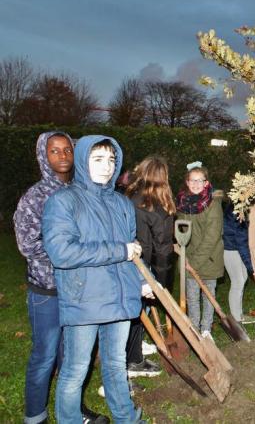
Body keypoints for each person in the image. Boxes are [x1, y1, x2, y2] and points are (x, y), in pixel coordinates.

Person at [42, 135, 150, 423]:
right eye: (98, 159)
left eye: (111, 160)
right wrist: (120, 251)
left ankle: (126, 418)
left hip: (118, 296)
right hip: (84, 297)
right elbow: (62, 252)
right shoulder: (64, 200)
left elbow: (132, 247)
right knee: (76, 370)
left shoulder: (121, 204)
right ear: (82, 161)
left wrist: (143, 280)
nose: (106, 166)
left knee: (115, 365)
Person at [14, 132, 108, 424]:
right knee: (45, 356)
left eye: (67, 149)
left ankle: (73, 411)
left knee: (73, 358)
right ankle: (35, 416)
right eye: (54, 151)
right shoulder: (36, 196)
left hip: (78, 289)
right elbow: (27, 244)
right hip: (48, 292)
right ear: (44, 155)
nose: (63, 155)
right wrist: (66, 255)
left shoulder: (82, 191)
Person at [124, 156, 177, 378]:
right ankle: (133, 360)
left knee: (133, 311)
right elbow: (163, 247)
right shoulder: (157, 206)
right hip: (146, 266)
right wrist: (162, 284)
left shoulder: (129, 197)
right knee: (138, 311)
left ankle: (132, 348)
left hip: (126, 260)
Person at [176, 162, 224, 340]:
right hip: (188, 258)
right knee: (192, 296)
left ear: (206, 183)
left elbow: (212, 238)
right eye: (192, 180)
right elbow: (181, 232)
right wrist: (184, 257)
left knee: (208, 295)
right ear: (187, 182)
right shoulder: (182, 203)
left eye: (200, 180)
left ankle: (206, 330)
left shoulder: (213, 204)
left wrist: (192, 263)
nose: (196, 184)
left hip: (209, 258)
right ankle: (194, 329)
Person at [222, 199, 255, 324]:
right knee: (238, 281)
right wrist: (254, 271)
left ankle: (238, 314)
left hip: (235, 246)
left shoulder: (241, 206)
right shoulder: (238, 211)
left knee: (242, 278)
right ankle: (236, 319)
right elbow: (242, 242)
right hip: (229, 248)